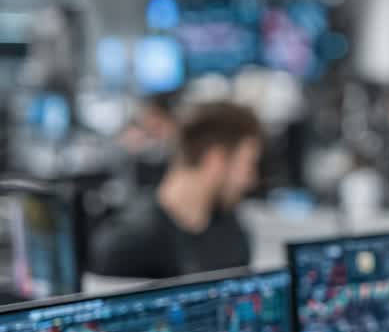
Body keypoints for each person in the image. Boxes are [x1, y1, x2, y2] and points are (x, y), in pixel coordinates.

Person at [91, 101, 262, 279]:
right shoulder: (128, 244)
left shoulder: (231, 233)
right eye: (248, 165)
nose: (251, 181)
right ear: (215, 159)